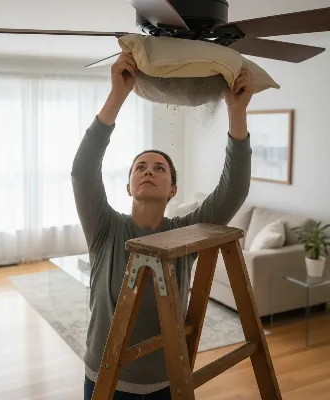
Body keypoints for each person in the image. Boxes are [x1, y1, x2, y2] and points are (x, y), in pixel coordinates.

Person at [71, 52, 254, 400]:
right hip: (105, 377)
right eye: (140, 167)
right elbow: (82, 173)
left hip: (167, 379)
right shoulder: (104, 228)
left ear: (172, 190)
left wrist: (237, 113)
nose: (148, 171)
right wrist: (117, 96)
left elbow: (233, 192)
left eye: (159, 168)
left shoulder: (186, 234)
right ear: (128, 187)